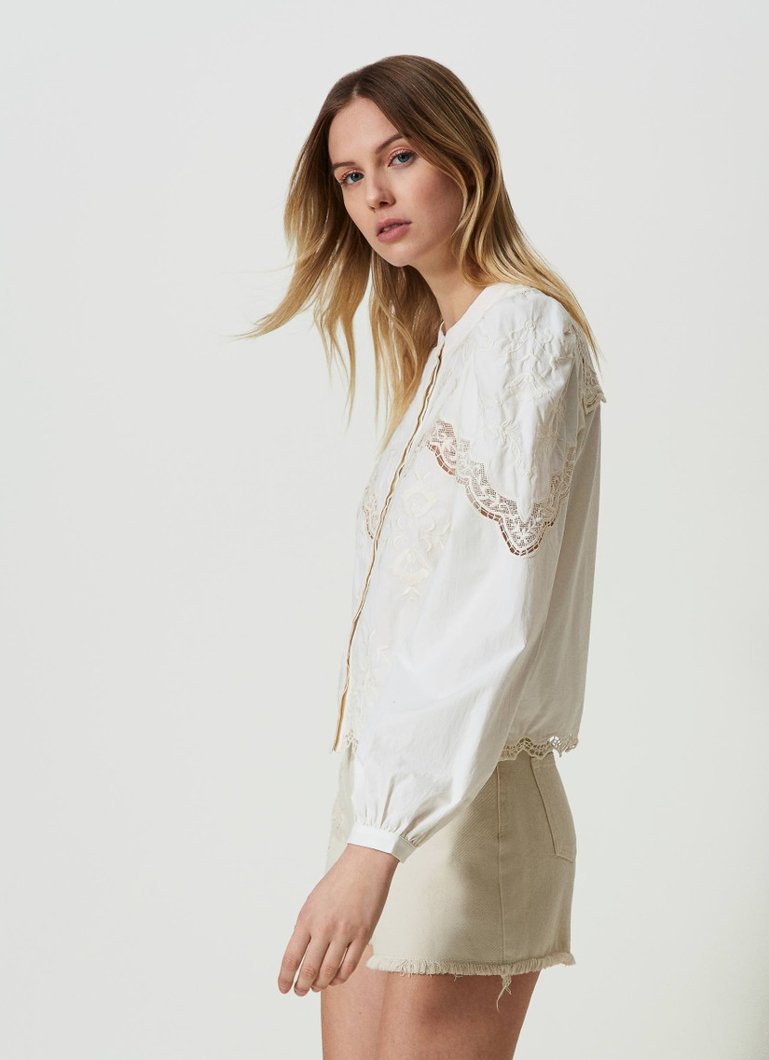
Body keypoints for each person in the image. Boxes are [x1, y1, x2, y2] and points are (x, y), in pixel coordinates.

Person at [241, 54, 607, 1059]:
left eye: (399, 156)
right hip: (389, 807)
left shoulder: (521, 336)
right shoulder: (453, 349)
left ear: (463, 156)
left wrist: (377, 837)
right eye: (350, 175)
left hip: (463, 812)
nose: (374, 194)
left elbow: (487, 612)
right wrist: (370, 824)